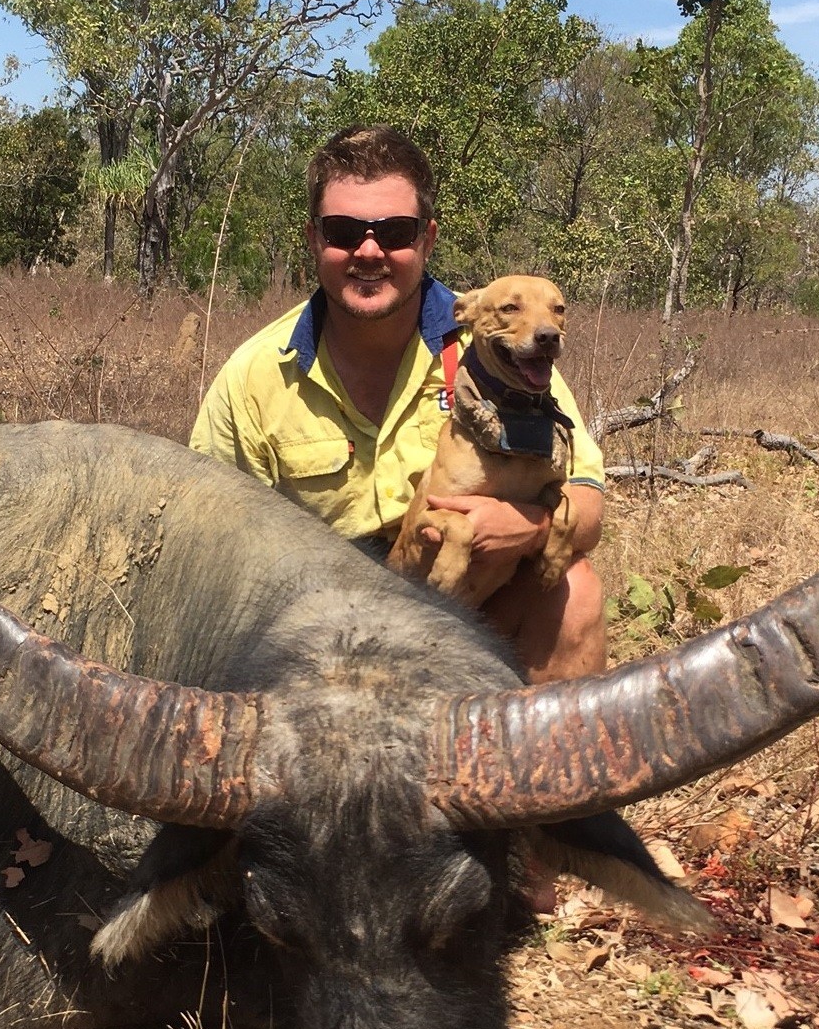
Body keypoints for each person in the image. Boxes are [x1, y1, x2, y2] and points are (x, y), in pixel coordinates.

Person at [189, 125, 608, 682]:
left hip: (483, 605)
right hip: (322, 629)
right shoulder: (256, 376)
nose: (368, 250)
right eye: (343, 231)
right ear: (315, 240)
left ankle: (543, 761)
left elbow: (588, 502)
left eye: (395, 232)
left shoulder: (499, 355)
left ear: (427, 240)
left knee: (576, 591)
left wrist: (522, 526)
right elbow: (212, 539)